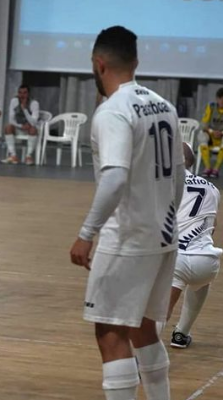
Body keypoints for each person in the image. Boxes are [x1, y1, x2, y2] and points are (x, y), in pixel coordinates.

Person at [69, 26, 184, 400]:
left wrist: (87, 233)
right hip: (164, 237)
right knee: (143, 328)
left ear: (98, 64)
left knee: (110, 331)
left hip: (128, 240)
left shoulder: (112, 111)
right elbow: (179, 174)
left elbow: (115, 176)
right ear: (136, 61)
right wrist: (167, 221)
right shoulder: (164, 106)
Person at [165, 142, 221, 349]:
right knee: (200, 282)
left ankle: (141, 358)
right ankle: (181, 333)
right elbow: (212, 226)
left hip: (175, 259)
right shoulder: (213, 189)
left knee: (159, 312)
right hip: (208, 260)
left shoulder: (163, 184)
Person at [1, 84, 40, 165]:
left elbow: (33, 122)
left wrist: (24, 109)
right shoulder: (14, 101)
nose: (22, 95)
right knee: (8, 127)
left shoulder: (34, 103)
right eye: (20, 93)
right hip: (18, 127)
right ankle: (13, 155)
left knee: (33, 129)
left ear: (28, 94)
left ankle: (28, 156)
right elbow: (11, 120)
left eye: (24, 93)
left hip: (29, 128)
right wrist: (21, 126)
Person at [198, 87, 223, 178]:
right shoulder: (211, 107)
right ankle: (208, 167)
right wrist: (212, 132)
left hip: (221, 137)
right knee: (201, 135)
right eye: (221, 99)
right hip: (211, 136)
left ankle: (216, 169)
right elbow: (203, 124)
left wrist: (221, 133)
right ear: (217, 99)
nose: (222, 102)